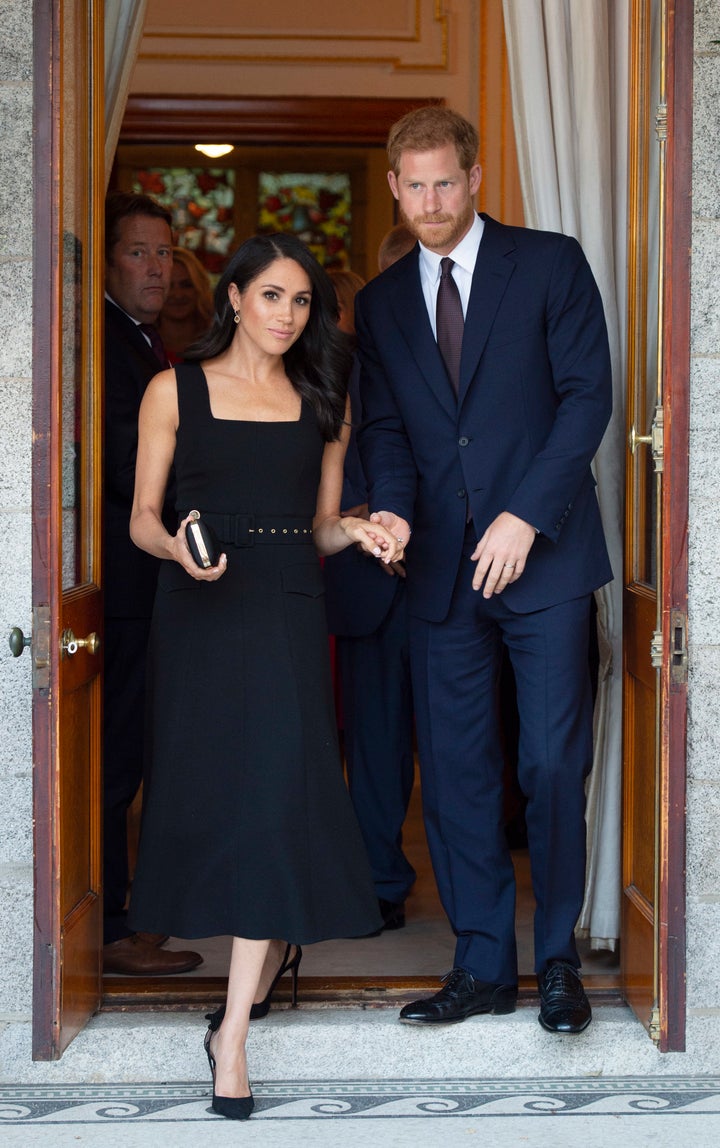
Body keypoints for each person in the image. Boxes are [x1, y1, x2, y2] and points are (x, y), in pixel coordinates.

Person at [126, 232, 405, 1119]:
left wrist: (357, 531)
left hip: (287, 609)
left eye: (303, 303)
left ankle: (234, 1033)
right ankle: (233, 1002)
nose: (289, 316)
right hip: (200, 612)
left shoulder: (324, 399)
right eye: (274, 297)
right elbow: (139, 517)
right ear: (235, 299)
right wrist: (176, 546)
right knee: (215, 802)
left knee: (278, 805)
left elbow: (319, 526)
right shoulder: (173, 389)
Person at [355, 106, 613, 1035]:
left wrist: (524, 516)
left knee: (548, 763)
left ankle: (556, 964)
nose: (429, 201)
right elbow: (385, 427)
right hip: (437, 575)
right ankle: (480, 966)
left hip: (542, 564)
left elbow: (589, 399)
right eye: (413, 185)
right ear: (395, 187)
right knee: (457, 773)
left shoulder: (549, 263)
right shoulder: (380, 303)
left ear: (475, 180)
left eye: (444, 182)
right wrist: (388, 506)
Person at [103, 190, 203, 976]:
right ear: (107, 262)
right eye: (139, 252)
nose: (157, 268)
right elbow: (119, 459)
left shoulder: (142, 342)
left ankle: (124, 915)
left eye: (164, 253)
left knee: (133, 749)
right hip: (123, 582)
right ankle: (109, 927)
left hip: (146, 581)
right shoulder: (103, 343)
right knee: (115, 756)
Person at [324, 269, 415, 932]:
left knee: (459, 752)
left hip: (451, 574)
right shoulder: (330, 374)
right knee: (375, 742)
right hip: (360, 575)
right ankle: (377, 879)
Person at [156, 246, 214, 363]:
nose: (178, 295)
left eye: (186, 285)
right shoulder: (142, 343)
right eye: (169, 286)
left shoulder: (219, 341)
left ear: (199, 287)